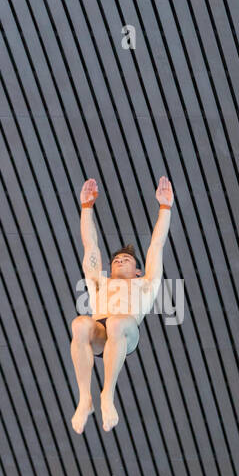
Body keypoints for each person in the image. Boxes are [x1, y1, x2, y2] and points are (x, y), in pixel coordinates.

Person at [69, 176, 174, 432]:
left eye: (126, 260)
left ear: (137, 271)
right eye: (116, 260)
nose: (120, 261)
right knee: (81, 323)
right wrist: (86, 208)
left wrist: (165, 208)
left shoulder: (146, 283)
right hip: (101, 332)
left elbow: (156, 245)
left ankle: (107, 395)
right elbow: (90, 245)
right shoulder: (99, 283)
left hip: (127, 332)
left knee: (116, 322)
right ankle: (85, 399)